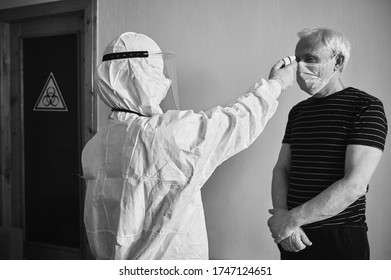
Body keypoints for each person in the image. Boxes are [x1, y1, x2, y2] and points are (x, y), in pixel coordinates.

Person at [82, 31, 296, 260]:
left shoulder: (94, 146)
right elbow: (232, 123)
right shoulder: (165, 134)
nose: (165, 80)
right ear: (137, 75)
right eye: (156, 70)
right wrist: (276, 84)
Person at [268, 27, 388, 260]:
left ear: (338, 61)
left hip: (340, 237)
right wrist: (283, 216)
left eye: (311, 59)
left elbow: (354, 184)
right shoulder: (298, 112)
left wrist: (290, 220)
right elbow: (281, 168)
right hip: (294, 236)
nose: (301, 68)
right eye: (298, 60)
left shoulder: (365, 107)